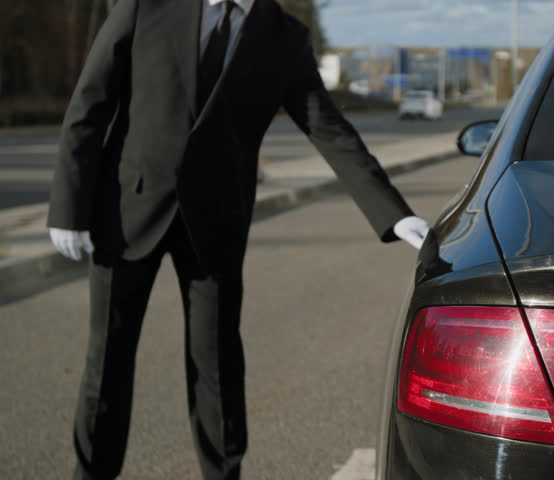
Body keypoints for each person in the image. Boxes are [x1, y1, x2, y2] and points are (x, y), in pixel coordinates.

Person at [46, 1, 430, 479]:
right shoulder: (148, 6)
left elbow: (328, 128)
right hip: (127, 212)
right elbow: (91, 101)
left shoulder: (284, 37)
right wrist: (68, 207)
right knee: (107, 361)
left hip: (216, 224)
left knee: (218, 364)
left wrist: (394, 215)